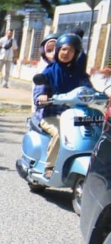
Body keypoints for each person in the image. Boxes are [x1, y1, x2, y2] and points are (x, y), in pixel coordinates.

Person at [33, 33, 92, 180]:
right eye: (63, 49)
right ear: (58, 50)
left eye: (71, 51)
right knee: (61, 134)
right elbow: (39, 93)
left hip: (73, 115)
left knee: (91, 132)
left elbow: (88, 89)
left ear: (76, 54)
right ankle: (50, 167)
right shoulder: (49, 71)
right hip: (50, 115)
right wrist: (42, 97)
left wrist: (102, 95)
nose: (66, 53)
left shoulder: (79, 74)